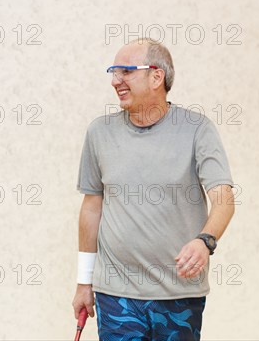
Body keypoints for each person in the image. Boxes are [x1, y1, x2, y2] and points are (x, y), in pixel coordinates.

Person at [72, 37, 235, 341]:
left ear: (156, 76)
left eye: (125, 72)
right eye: (113, 72)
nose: (115, 81)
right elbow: (92, 207)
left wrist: (204, 242)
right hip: (116, 293)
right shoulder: (99, 133)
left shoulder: (197, 130)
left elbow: (224, 199)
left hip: (179, 294)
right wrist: (84, 281)